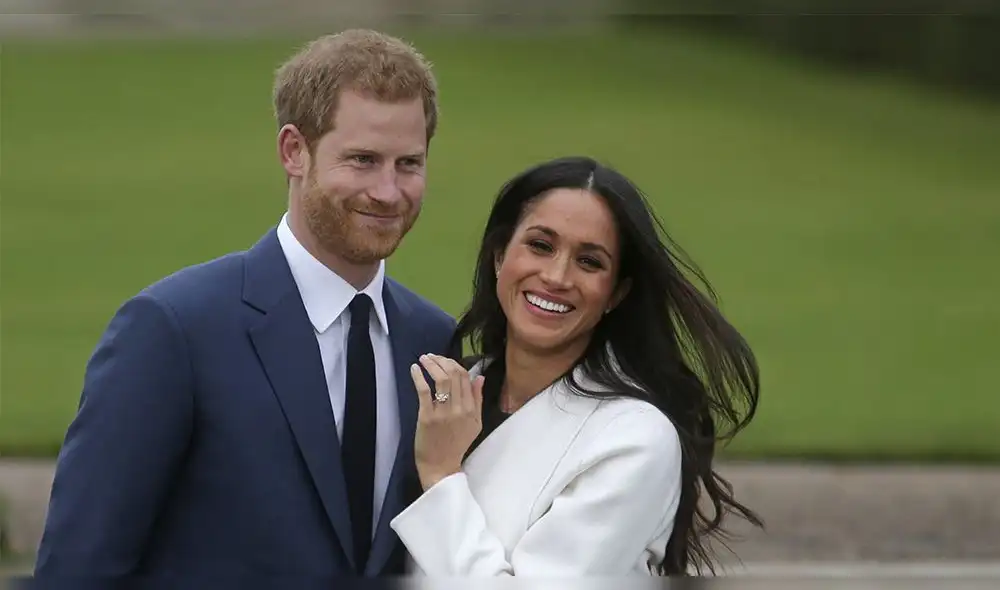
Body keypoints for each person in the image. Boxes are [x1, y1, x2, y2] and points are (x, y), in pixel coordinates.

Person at [33, 29, 454, 582]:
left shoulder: (434, 341)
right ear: (293, 151)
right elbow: (78, 569)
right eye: (363, 160)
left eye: (408, 164)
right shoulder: (174, 330)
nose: (388, 191)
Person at [388, 156, 763, 576]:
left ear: (616, 294)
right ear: (499, 256)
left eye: (589, 262)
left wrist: (441, 477)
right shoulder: (450, 394)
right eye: (540, 246)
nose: (557, 276)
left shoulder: (634, 440)